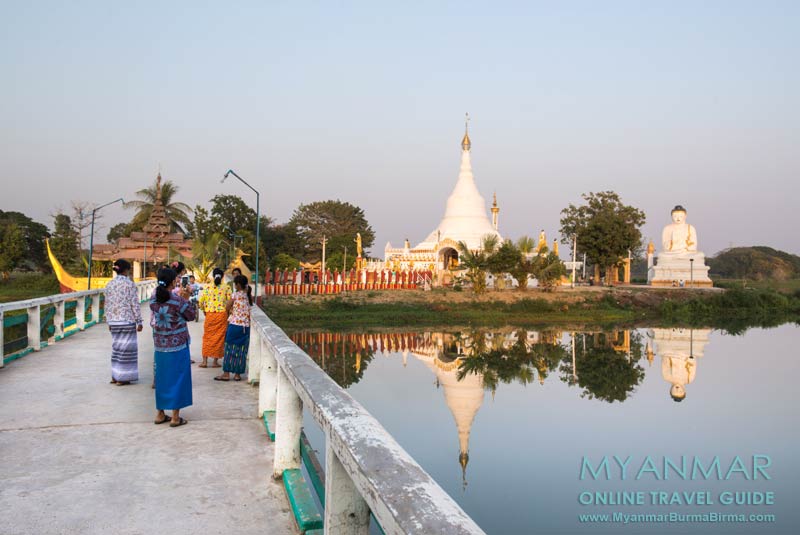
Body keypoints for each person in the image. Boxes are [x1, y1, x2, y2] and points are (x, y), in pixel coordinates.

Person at [151, 267, 196, 427]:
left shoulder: (153, 300)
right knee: (178, 378)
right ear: (173, 281)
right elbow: (191, 315)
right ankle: (176, 417)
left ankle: (160, 413)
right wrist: (187, 297)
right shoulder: (178, 301)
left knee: (162, 378)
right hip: (178, 345)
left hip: (160, 345)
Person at [104, 259, 142, 385]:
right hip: (127, 320)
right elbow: (134, 303)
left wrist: (109, 321)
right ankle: (123, 377)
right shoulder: (129, 284)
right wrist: (139, 320)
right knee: (126, 350)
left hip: (114, 321)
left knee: (116, 348)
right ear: (126, 270)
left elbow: (107, 304)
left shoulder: (109, 284)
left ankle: (115, 376)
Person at [215, 274, 252, 382]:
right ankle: (237, 374)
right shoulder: (247, 295)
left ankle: (226, 373)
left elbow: (227, 306)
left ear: (238, 285)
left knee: (229, 349)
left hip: (234, 325)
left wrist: (230, 312)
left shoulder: (235, 295)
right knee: (241, 350)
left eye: (235, 283)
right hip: (245, 327)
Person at [198, 268, 231, 369]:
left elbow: (200, 301)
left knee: (207, 337)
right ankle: (215, 362)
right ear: (222, 277)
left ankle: (204, 361)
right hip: (221, 315)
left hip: (210, 315)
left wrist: (204, 310)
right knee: (219, 338)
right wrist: (228, 313)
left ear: (212, 276)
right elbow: (230, 302)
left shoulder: (207, 287)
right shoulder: (227, 287)